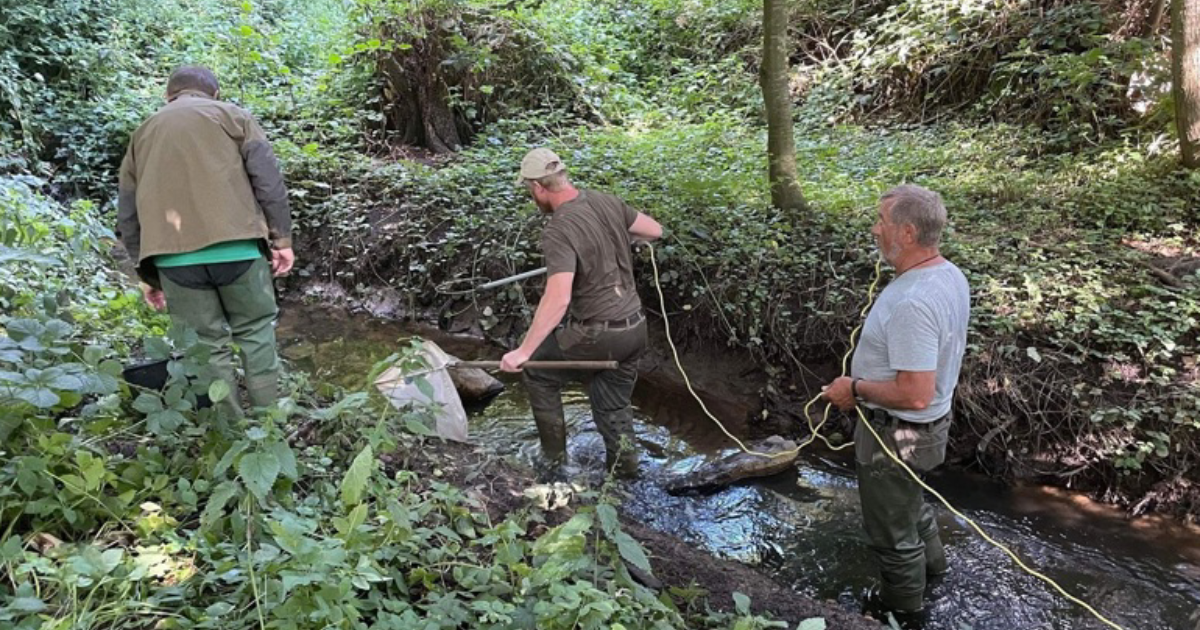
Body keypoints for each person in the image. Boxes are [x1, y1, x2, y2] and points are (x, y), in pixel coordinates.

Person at [821, 184, 970, 626]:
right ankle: (933, 572)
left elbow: (915, 392)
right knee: (909, 505)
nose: (874, 229)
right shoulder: (948, 274)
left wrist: (856, 388)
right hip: (922, 432)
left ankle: (901, 612)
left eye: (881, 221)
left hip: (897, 433)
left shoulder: (913, 301)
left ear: (906, 232)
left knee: (891, 535)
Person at [116, 65, 294, 418]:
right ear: (214, 93)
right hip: (240, 251)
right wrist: (282, 238)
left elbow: (128, 208)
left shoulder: (143, 133)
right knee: (256, 333)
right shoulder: (234, 117)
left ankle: (230, 433)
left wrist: (145, 273)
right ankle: (269, 428)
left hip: (174, 262)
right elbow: (268, 181)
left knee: (207, 348)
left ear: (168, 96)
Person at [500, 148, 663, 478]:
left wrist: (524, 352)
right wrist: (616, 239)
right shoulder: (606, 201)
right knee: (612, 407)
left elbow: (558, 298)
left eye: (530, 191)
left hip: (596, 334)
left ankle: (553, 462)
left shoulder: (558, 229)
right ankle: (626, 477)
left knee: (536, 370)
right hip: (634, 330)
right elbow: (653, 231)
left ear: (538, 188)